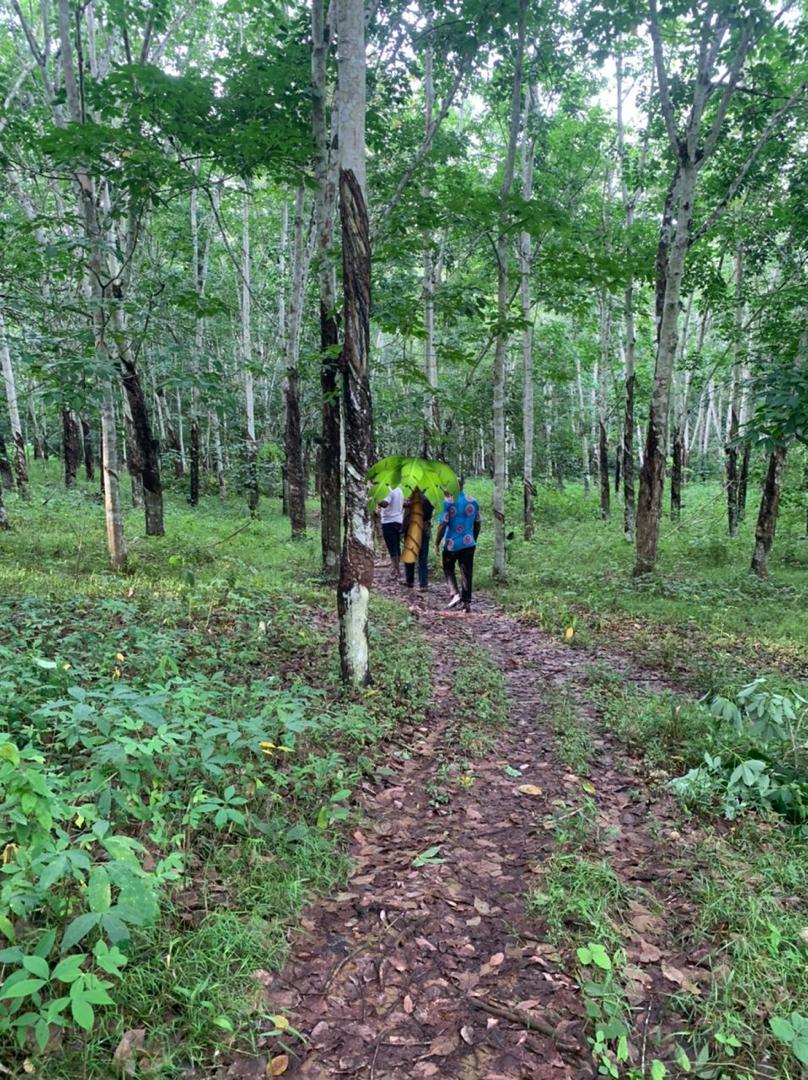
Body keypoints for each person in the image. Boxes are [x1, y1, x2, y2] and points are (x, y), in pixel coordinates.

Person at [434, 482, 481, 612]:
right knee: (467, 572)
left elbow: (443, 524)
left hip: (452, 544)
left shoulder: (447, 503)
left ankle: (455, 594)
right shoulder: (473, 501)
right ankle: (467, 603)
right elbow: (478, 523)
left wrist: (437, 543)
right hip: (468, 543)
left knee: (448, 567)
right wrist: (473, 539)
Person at [403, 490, 434, 591]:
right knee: (423, 557)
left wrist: (403, 529)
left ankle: (409, 581)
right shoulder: (429, 497)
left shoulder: (412, 499)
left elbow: (407, 516)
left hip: (411, 528)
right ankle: (423, 583)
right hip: (425, 528)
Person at [378, 485, 404, 579]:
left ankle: (397, 571)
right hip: (398, 520)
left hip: (389, 521)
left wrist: (374, 497)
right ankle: (394, 569)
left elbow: (385, 503)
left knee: (392, 547)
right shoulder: (399, 490)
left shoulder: (388, 489)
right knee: (396, 546)